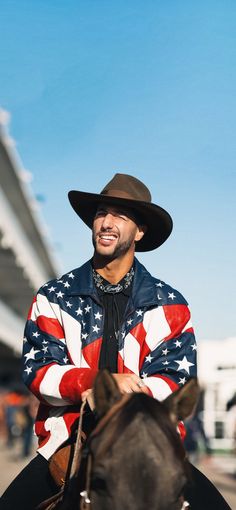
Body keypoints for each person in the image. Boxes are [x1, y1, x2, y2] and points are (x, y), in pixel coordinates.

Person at [0, 173, 230, 509]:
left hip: (150, 443)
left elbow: (176, 380)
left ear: (139, 231)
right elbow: (39, 371)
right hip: (68, 441)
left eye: (120, 216)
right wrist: (95, 383)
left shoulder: (170, 303)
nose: (106, 222)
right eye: (101, 213)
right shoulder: (52, 297)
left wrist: (120, 393)